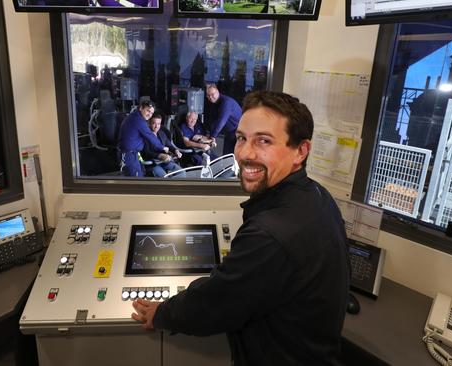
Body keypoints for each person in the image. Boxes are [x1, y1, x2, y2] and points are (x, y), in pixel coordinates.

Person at [131, 91, 350, 365]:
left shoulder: (270, 234)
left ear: (300, 151)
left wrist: (162, 313)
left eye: (264, 141)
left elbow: (215, 302)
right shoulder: (318, 196)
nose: (245, 153)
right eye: (242, 138)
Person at [118, 100, 168, 177]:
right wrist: (162, 147)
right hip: (128, 154)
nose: (150, 115)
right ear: (141, 108)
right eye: (148, 111)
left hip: (134, 154)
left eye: (151, 113)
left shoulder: (136, 117)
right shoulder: (138, 120)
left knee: (140, 175)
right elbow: (150, 136)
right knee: (135, 179)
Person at [142, 113, 185, 178]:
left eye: (159, 124)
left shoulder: (161, 133)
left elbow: (169, 145)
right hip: (152, 163)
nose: (157, 126)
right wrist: (160, 156)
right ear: (149, 123)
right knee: (165, 178)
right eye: (154, 123)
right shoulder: (145, 135)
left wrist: (176, 151)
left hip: (165, 162)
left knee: (182, 172)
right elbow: (145, 152)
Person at [205, 84, 242, 155]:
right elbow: (213, 121)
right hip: (229, 133)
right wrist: (210, 135)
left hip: (238, 133)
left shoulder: (226, 102)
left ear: (218, 91)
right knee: (227, 157)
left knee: (234, 158)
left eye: (212, 94)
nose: (210, 97)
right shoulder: (214, 104)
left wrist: (213, 136)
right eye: (208, 95)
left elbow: (221, 121)